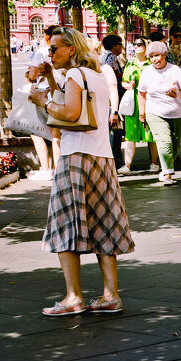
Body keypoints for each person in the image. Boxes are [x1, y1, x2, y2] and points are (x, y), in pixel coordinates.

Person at [32, 27, 134, 317]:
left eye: (54, 49)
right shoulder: (99, 74)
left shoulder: (76, 75)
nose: (50, 54)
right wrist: (51, 79)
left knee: (66, 224)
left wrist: (44, 101)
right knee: (104, 222)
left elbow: (70, 112)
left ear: (72, 49)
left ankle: (73, 297)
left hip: (75, 157)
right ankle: (111, 295)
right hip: (102, 158)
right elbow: (76, 102)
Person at [138, 41, 181, 185]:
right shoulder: (147, 72)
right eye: (151, 56)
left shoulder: (174, 70)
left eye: (156, 55)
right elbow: (141, 94)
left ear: (164, 55)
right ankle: (168, 173)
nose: (154, 59)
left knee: (175, 144)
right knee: (164, 141)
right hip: (155, 112)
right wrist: (142, 113)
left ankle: (165, 169)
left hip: (178, 113)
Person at [26, 26, 62, 181]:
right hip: (58, 92)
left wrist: (28, 74)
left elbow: (33, 75)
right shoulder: (63, 51)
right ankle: (57, 169)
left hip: (42, 92)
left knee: (37, 131)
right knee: (57, 133)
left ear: (47, 37)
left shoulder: (41, 52)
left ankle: (46, 169)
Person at [119, 37, 157, 175]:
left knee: (151, 134)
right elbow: (123, 82)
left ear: (146, 46)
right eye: (135, 44)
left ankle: (154, 163)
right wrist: (129, 85)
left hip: (149, 102)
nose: (137, 46)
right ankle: (127, 166)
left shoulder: (151, 64)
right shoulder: (130, 65)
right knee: (130, 135)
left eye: (140, 44)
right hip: (133, 104)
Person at [101, 34, 127, 166]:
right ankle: (115, 159)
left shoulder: (109, 56)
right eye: (120, 44)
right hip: (113, 97)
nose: (122, 46)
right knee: (115, 130)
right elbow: (113, 76)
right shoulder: (110, 57)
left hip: (111, 97)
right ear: (113, 46)